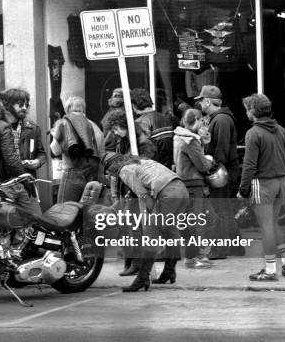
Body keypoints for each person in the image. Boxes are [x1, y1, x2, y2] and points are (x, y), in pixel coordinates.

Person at [103, 153, 189, 292]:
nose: (110, 175)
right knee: (170, 231)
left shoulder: (124, 170)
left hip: (167, 193)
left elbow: (142, 194)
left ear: (113, 166)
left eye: (108, 171)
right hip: (181, 190)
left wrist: (150, 214)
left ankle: (142, 279)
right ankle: (169, 272)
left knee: (151, 236)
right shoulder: (142, 161)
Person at [237, 94, 285, 281]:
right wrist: (283, 177)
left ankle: (270, 270)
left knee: (266, 226)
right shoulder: (282, 130)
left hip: (263, 184)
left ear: (253, 112)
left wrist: (243, 189)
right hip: (281, 182)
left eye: (247, 109)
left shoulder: (253, 133)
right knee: (274, 222)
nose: (246, 113)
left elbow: (249, 165)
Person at [102, 107, 156, 276]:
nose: (116, 133)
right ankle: (131, 261)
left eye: (117, 129)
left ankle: (137, 263)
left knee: (137, 228)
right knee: (128, 227)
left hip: (138, 189)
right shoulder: (123, 140)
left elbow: (143, 167)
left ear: (123, 126)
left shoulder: (143, 142)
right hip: (126, 187)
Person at [195, 85, 243, 258]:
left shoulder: (221, 119)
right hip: (224, 170)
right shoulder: (219, 118)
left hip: (222, 171)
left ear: (208, 101)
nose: (200, 104)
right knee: (225, 209)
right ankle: (237, 247)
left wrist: (211, 171)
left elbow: (221, 150)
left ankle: (221, 249)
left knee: (219, 210)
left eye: (201, 100)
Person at [173, 109, 218, 268]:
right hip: (194, 185)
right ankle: (196, 257)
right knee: (199, 222)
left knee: (199, 220)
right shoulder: (190, 140)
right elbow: (202, 165)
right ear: (197, 120)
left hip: (186, 183)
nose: (203, 124)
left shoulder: (178, 136)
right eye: (202, 121)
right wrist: (209, 160)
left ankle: (196, 256)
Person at [50, 95, 104, 203]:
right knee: (85, 213)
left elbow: (55, 150)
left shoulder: (65, 123)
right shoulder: (95, 127)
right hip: (93, 175)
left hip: (72, 172)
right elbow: (102, 153)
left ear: (67, 109)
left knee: (64, 211)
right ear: (83, 108)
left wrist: (55, 135)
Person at [1, 88, 47, 178]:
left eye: (26, 105)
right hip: (3, 181)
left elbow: (41, 153)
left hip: (26, 179)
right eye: (21, 105)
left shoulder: (33, 128)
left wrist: (37, 162)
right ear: (9, 105)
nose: (24, 108)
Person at [131, 88, 175, 169]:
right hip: (169, 170)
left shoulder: (139, 123)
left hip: (153, 171)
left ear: (133, 105)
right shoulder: (166, 118)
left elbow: (145, 153)